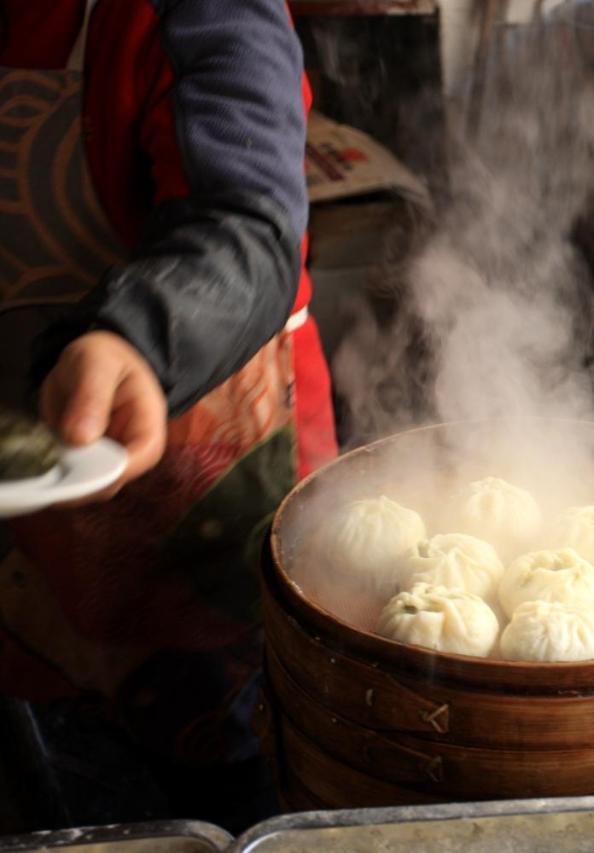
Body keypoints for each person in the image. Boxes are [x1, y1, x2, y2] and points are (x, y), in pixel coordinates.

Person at [0, 0, 337, 826]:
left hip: (199, 536)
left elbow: (247, 226)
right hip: (22, 572)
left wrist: (132, 339)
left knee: (235, 809)